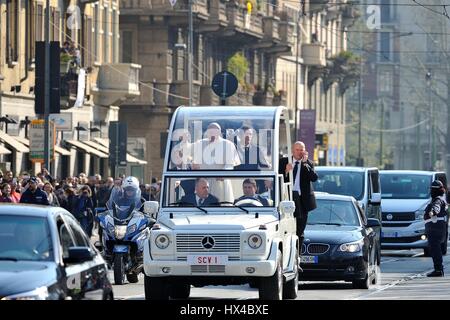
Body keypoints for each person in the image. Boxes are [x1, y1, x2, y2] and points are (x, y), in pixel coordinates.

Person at [279, 141, 318, 268]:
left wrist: (305, 164)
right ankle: (286, 256)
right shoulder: (283, 161)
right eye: (298, 150)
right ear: (292, 150)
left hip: (302, 200)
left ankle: (298, 258)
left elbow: (314, 178)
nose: (300, 152)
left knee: (299, 231)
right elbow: (277, 179)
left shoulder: (308, 163)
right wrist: (286, 171)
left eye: (302, 150)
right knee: (287, 229)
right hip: (288, 198)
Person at [191, 122, 241, 203]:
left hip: (220, 182)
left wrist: (223, 173)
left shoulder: (228, 145)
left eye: (215, 132)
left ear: (219, 132)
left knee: (220, 206)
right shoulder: (200, 144)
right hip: (203, 182)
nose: (212, 134)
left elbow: (229, 165)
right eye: (210, 132)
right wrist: (193, 165)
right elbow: (190, 158)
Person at [424, 180, 448, 277]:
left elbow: (436, 208)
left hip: (435, 230)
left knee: (435, 249)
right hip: (438, 229)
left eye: (432, 190)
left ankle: (438, 270)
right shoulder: (441, 199)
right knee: (435, 249)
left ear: (435, 191)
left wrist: (432, 212)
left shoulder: (437, 200)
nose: (431, 192)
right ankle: (438, 269)